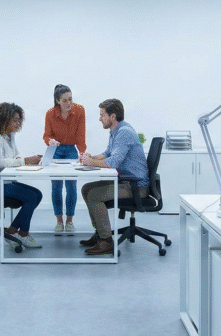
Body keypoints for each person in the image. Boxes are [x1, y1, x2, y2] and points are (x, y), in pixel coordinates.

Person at [78, 99, 149, 256]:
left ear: (113, 116)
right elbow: (107, 154)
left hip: (136, 186)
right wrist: (90, 157)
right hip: (126, 181)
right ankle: (100, 233)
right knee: (86, 188)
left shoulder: (124, 132)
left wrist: (91, 162)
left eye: (102, 115)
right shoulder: (116, 131)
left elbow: (113, 162)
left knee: (94, 195)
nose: (99, 118)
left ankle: (106, 241)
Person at [0, 102, 44, 249]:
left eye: (19, 120)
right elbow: (0, 162)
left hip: (3, 182)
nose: (18, 123)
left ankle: (12, 231)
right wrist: (24, 161)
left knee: (37, 194)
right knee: (31, 197)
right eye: (14, 120)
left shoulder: (10, 136)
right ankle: (23, 234)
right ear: (3, 119)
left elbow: (16, 156)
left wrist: (28, 161)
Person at [42, 84, 87, 234]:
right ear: (57, 101)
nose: (69, 104)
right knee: (56, 186)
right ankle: (59, 221)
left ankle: (69, 221)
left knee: (71, 186)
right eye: (65, 100)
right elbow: (46, 135)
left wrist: (82, 152)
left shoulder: (79, 110)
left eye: (70, 99)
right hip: (55, 150)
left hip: (71, 150)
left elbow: (81, 134)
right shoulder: (50, 113)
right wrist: (50, 141)